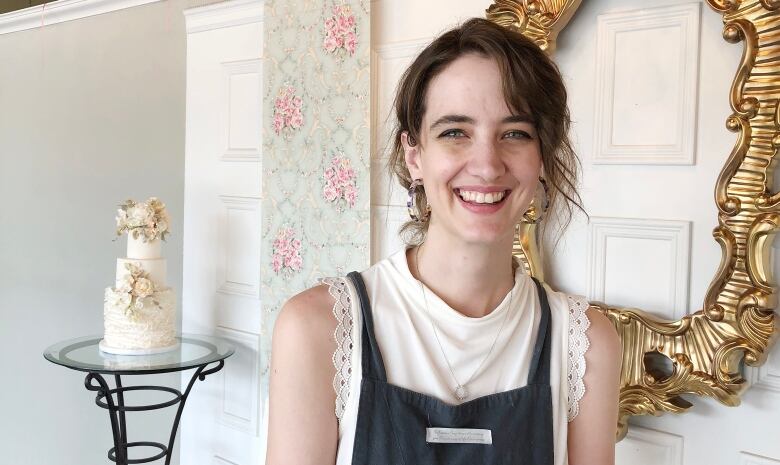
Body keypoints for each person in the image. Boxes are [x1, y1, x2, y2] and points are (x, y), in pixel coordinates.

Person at [266, 17, 621, 465]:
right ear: (415, 156)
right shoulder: (319, 329)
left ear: (542, 159)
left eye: (515, 133)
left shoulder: (586, 343)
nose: (488, 165)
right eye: (455, 132)